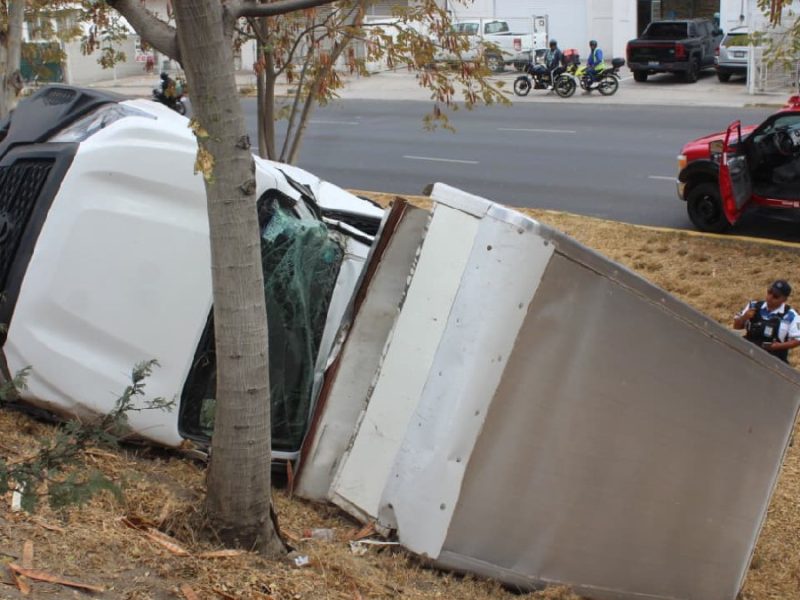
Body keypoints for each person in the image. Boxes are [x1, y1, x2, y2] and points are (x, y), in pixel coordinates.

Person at [733, 279, 800, 362]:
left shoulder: (791, 316)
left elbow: (797, 340)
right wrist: (744, 317)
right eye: (769, 292)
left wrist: (777, 346)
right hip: (747, 351)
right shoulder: (753, 305)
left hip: (773, 358)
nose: (770, 297)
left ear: (784, 299)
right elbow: (736, 326)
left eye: (776, 296)